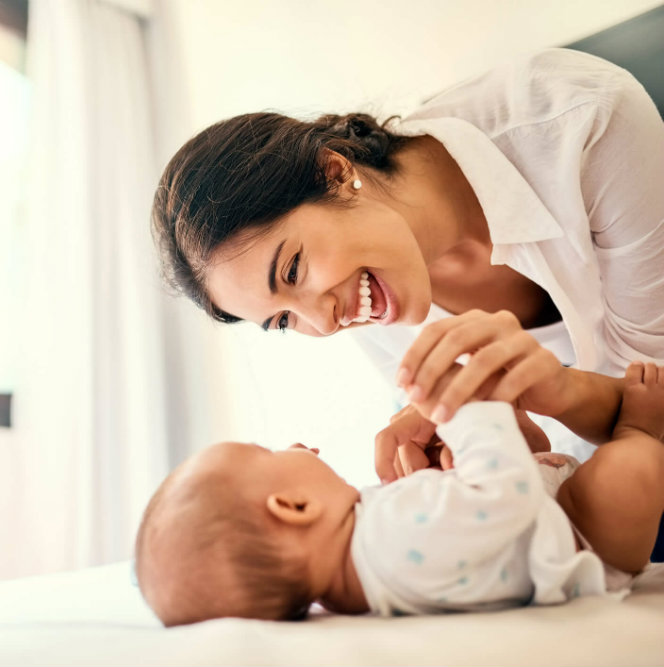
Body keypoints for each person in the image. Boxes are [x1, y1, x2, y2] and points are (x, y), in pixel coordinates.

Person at [150, 47, 664, 557]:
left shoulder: (580, 121)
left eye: (291, 270)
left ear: (333, 173)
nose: (324, 322)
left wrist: (556, 393)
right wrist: (483, 451)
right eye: (283, 320)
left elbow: (652, 398)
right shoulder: (372, 295)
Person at [134, 362, 664, 626]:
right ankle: (644, 431)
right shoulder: (382, 540)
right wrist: (465, 409)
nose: (293, 447)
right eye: (270, 454)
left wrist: (437, 483)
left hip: (538, 514)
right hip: (581, 533)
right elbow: (504, 505)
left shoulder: (359, 577)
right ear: (294, 507)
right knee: (629, 472)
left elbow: (453, 538)